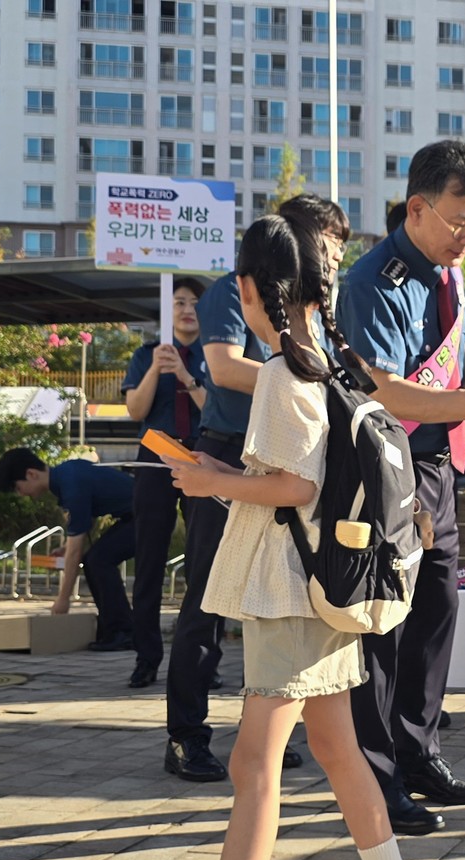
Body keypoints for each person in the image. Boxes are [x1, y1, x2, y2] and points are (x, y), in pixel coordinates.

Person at [163, 213, 432, 860]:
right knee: (336, 747)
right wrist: (219, 476)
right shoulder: (334, 361)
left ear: (251, 290)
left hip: (291, 588)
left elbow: (290, 485)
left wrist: (211, 477)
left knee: (253, 763)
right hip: (330, 582)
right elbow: (303, 481)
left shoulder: (285, 370)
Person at [337, 139, 465, 835]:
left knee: (434, 617)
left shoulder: (446, 275)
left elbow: (454, 356)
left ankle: (420, 753)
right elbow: (389, 391)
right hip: (385, 469)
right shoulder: (375, 280)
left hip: (436, 468)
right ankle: (379, 779)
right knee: (383, 633)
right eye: (461, 221)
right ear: (419, 207)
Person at [164, 193, 349, 783]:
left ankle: (269, 722)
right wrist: (295, 372)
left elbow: (295, 481)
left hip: (268, 473)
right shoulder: (248, 307)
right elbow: (220, 368)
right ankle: (187, 735)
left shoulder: (305, 339)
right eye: (323, 244)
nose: (330, 258)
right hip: (234, 454)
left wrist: (296, 372)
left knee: (270, 607)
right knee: (208, 601)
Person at [121, 276, 208, 689]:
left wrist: (188, 378)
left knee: (204, 562)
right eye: (179, 302)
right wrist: (158, 366)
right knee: (150, 559)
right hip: (156, 460)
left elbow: (218, 412)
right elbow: (135, 409)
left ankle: (203, 661)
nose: (187, 309)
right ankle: (146, 657)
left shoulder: (215, 356)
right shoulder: (145, 355)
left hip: (204, 459)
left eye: (194, 302)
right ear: (166, 309)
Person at [0, 448, 135, 650]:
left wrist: (62, 600)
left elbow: (75, 553)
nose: (21, 494)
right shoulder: (66, 474)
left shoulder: (70, 485)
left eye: (17, 488)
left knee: (98, 560)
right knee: (96, 559)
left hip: (149, 514)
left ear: (31, 474)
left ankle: (123, 631)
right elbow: (84, 521)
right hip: (139, 513)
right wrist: (66, 547)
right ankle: (115, 629)